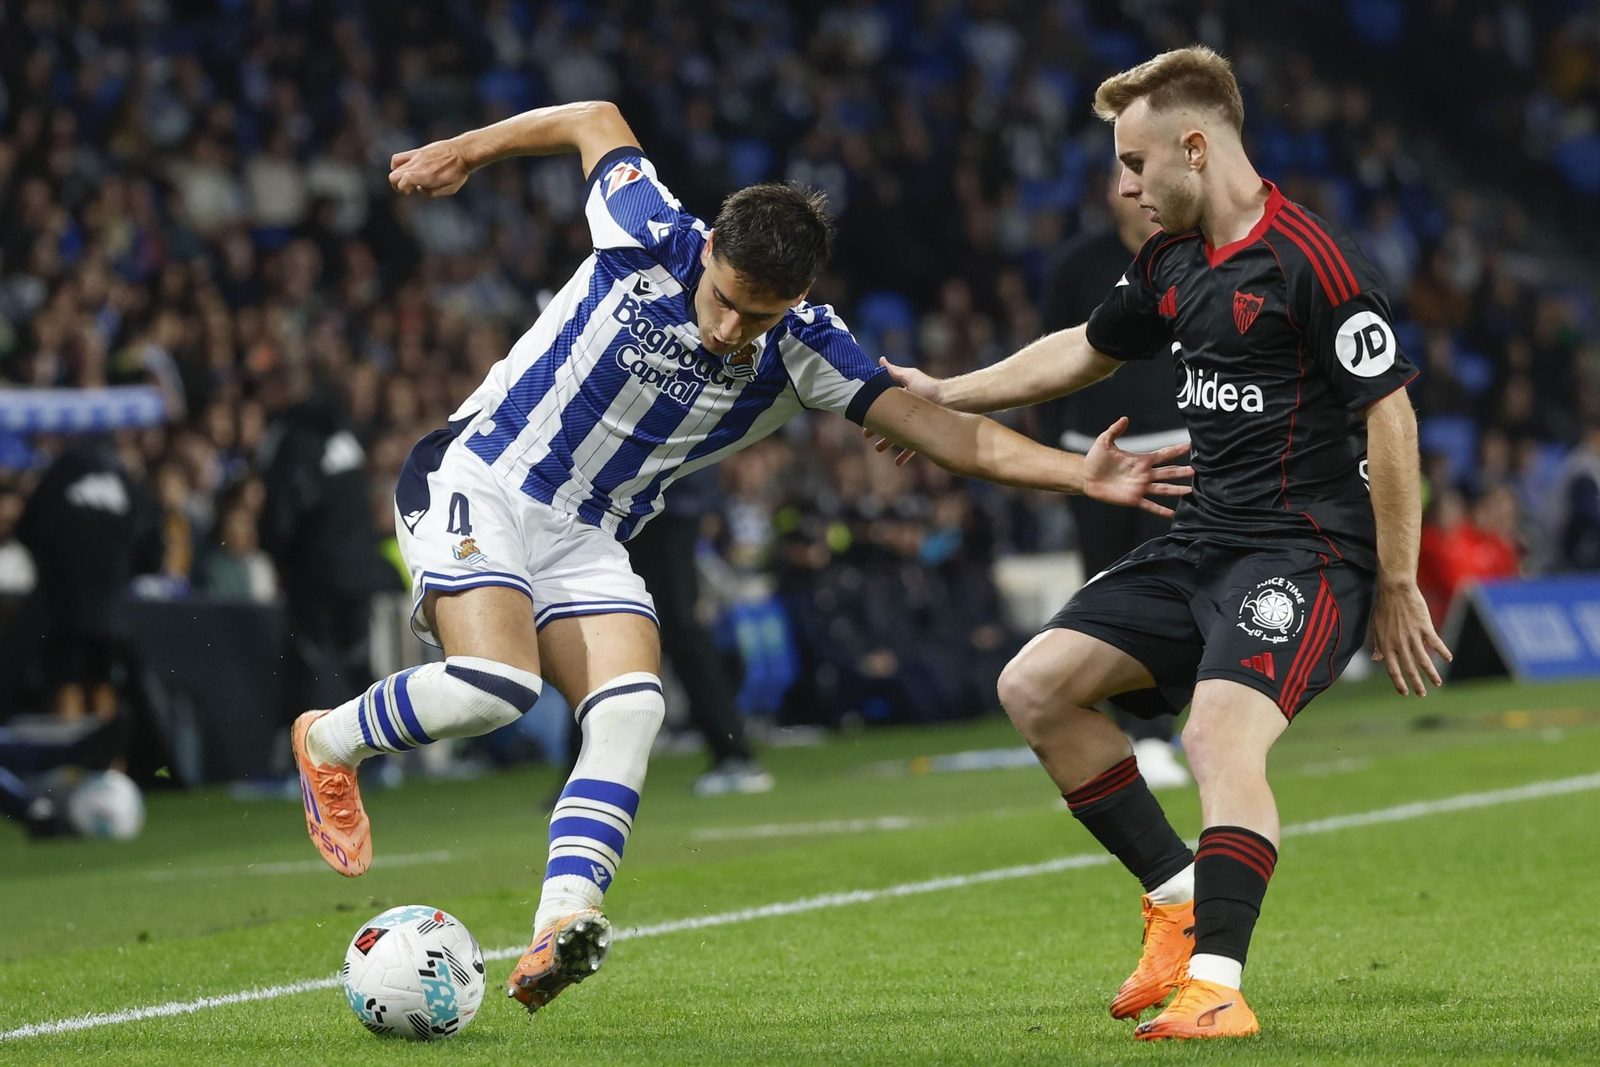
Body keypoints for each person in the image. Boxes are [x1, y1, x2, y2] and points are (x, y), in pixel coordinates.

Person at [287, 100, 1194, 1015]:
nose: (729, 329)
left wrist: (1081, 474)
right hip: (480, 474)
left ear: (795, 298)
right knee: (494, 684)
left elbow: (952, 435)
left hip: (586, 533)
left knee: (635, 705)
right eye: (724, 298)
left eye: (758, 315)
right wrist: (463, 149)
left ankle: (559, 923)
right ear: (712, 246)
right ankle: (327, 740)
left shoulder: (806, 349)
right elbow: (596, 118)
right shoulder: (647, 227)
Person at [873, 47, 1449, 1041]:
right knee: (1034, 687)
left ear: (1195, 147)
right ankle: (1178, 897)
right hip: (1200, 537)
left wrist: (1396, 579)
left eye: (1136, 164)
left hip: (1304, 552)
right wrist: (945, 388)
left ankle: (1217, 983)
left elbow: (1390, 418)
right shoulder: (1169, 259)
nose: (1126, 185)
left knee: (1218, 736)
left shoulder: (1314, 260)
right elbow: (1085, 348)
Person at [1040, 165, 1191, 790]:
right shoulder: (1078, 265)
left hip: (1177, 451)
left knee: (1167, 594)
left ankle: (1155, 732)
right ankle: (1108, 738)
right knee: (1100, 596)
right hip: (1093, 456)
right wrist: (1057, 459)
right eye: (1118, 178)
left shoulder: (1191, 255)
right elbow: (1048, 357)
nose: (1129, 190)